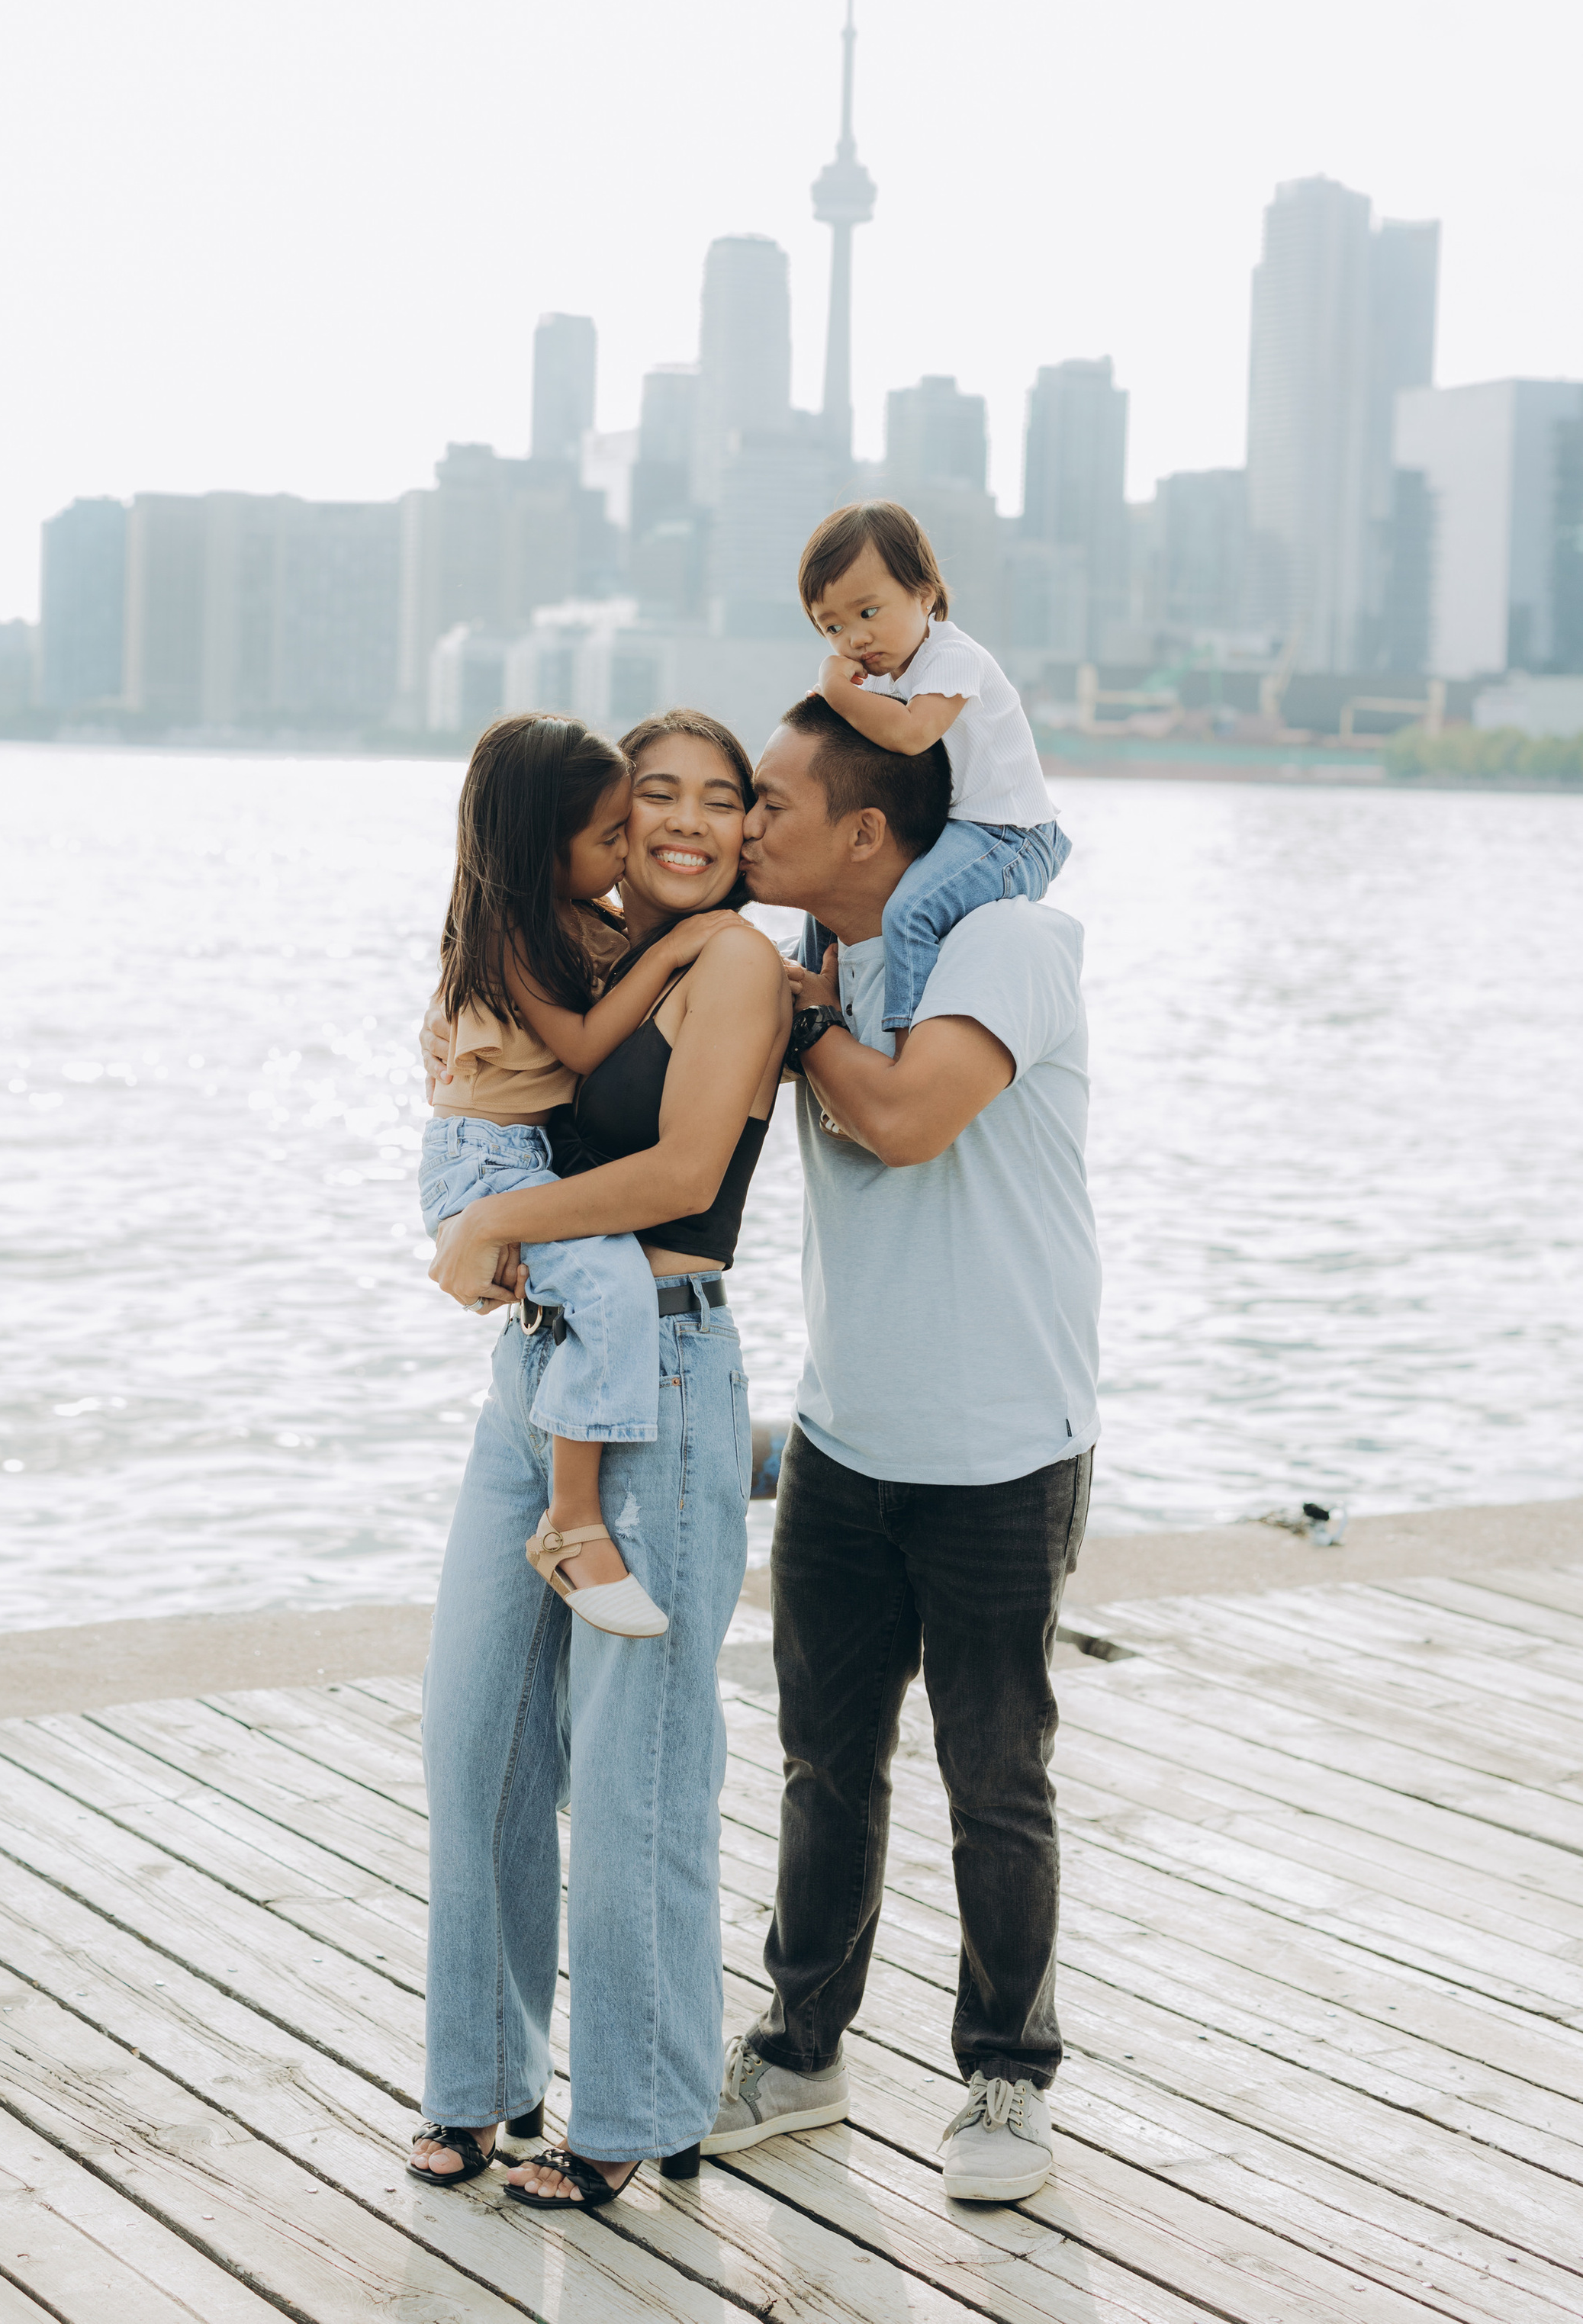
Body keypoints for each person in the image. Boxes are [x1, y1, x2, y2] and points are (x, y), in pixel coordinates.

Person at [713, 692, 1099, 2205]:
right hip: (842, 1440)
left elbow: (908, 1121)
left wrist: (801, 1024)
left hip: (1001, 1442)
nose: (745, 828)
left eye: (769, 806)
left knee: (993, 1778)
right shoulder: (805, 958)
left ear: (866, 832)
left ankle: (1005, 2081)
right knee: (824, 1764)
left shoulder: (1005, 939)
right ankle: (801, 2054)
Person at [410, 711, 788, 2211]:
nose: (683, 824)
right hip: (549, 1367)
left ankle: (631, 2113)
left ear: (753, 826)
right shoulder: (579, 945)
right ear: (609, 823)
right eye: (654, 798)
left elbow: (684, 1175)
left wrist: (493, 1227)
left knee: (635, 1770)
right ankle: (475, 2087)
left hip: (671, 1363)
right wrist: (480, 1225)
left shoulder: (733, 963)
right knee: (476, 1740)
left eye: (719, 800)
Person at [424, 713, 729, 1636]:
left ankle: (574, 1505)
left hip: (524, 1155)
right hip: (487, 1159)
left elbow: (662, 1021)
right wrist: (682, 945)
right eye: (607, 836)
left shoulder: (575, 924)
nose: (622, 848)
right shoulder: (515, 937)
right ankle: (573, 1520)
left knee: (598, 1288)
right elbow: (594, 1043)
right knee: (605, 1289)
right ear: (542, 848)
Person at [800, 500, 1071, 1031]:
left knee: (910, 913)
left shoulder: (953, 656)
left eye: (868, 612)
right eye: (831, 628)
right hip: (950, 832)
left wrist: (834, 688)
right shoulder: (872, 680)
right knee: (826, 892)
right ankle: (814, 1003)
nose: (853, 638)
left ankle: (907, 1041)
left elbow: (910, 733)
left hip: (1011, 835)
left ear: (924, 594)